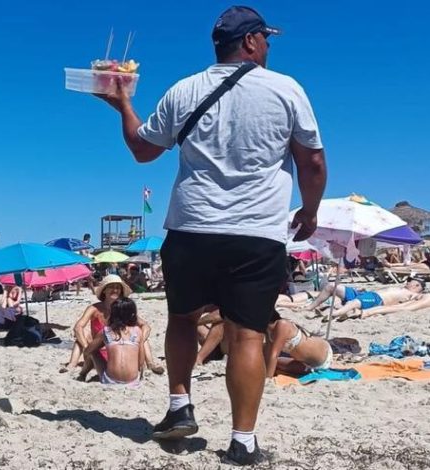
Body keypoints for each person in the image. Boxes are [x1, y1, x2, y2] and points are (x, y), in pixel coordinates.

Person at [96, 6, 327, 464]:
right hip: (256, 232)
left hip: (192, 227)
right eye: (266, 38)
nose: (269, 46)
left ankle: (180, 406)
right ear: (250, 42)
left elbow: (143, 149)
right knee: (246, 335)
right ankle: (243, 441)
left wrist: (122, 105)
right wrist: (310, 210)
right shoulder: (286, 89)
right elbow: (313, 161)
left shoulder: (184, 89)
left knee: (183, 319)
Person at [61, 275, 164, 377]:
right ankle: (72, 364)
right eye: (111, 287)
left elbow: (145, 326)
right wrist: (86, 346)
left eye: (117, 288)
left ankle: (150, 364)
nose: (115, 290)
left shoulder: (122, 308)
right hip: (98, 350)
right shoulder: (94, 308)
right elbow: (78, 327)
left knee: (141, 334)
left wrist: (141, 340)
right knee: (82, 334)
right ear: (104, 291)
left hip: (120, 350)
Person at [84, 297, 144, 386]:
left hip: (110, 380)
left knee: (93, 351)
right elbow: (141, 362)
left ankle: (82, 374)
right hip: (133, 381)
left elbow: (87, 351)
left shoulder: (106, 331)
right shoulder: (137, 331)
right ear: (133, 315)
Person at [264, 316, 333, 377]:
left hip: (322, 357)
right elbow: (268, 351)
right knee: (267, 358)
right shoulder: (268, 329)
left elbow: (274, 355)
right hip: (305, 358)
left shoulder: (282, 325)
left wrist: (267, 379)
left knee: (274, 362)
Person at [328, 279, 425, 322]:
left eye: (410, 282)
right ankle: (339, 310)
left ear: (417, 286)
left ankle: (336, 314)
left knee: (352, 303)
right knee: (334, 288)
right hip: (369, 294)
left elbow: (419, 298)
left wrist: (415, 296)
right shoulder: (402, 289)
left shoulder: (412, 294)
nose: (408, 282)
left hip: (376, 299)